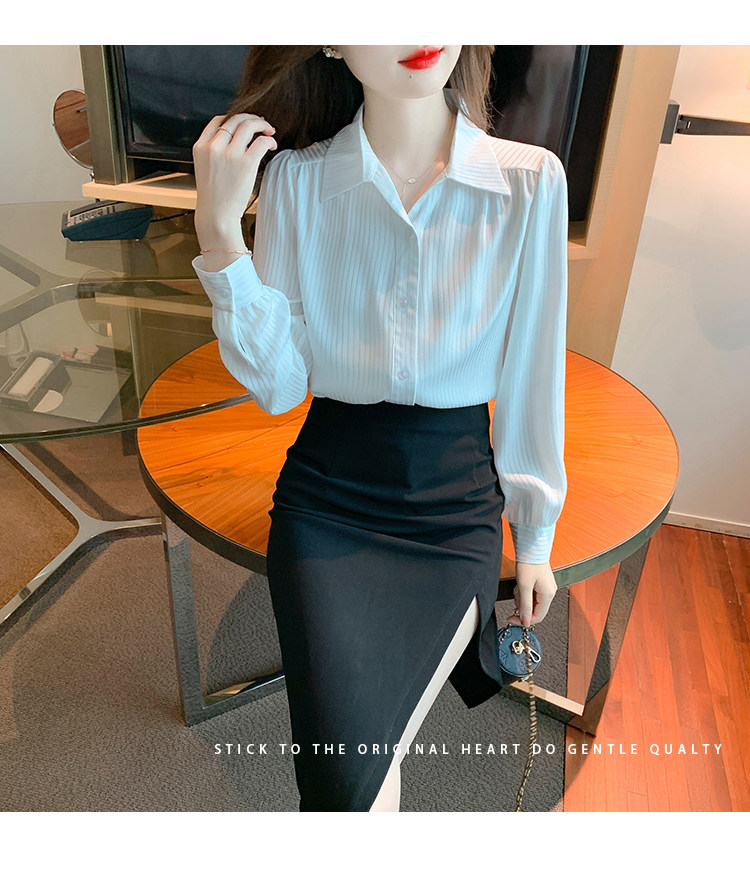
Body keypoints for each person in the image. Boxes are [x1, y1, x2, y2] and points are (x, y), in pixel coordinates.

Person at [191, 45, 568, 812]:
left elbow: (536, 370)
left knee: (361, 769)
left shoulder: (529, 182)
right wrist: (220, 233)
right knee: (344, 781)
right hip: (327, 503)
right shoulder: (297, 182)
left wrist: (534, 537)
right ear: (331, 38)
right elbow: (279, 387)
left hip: (452, 505)